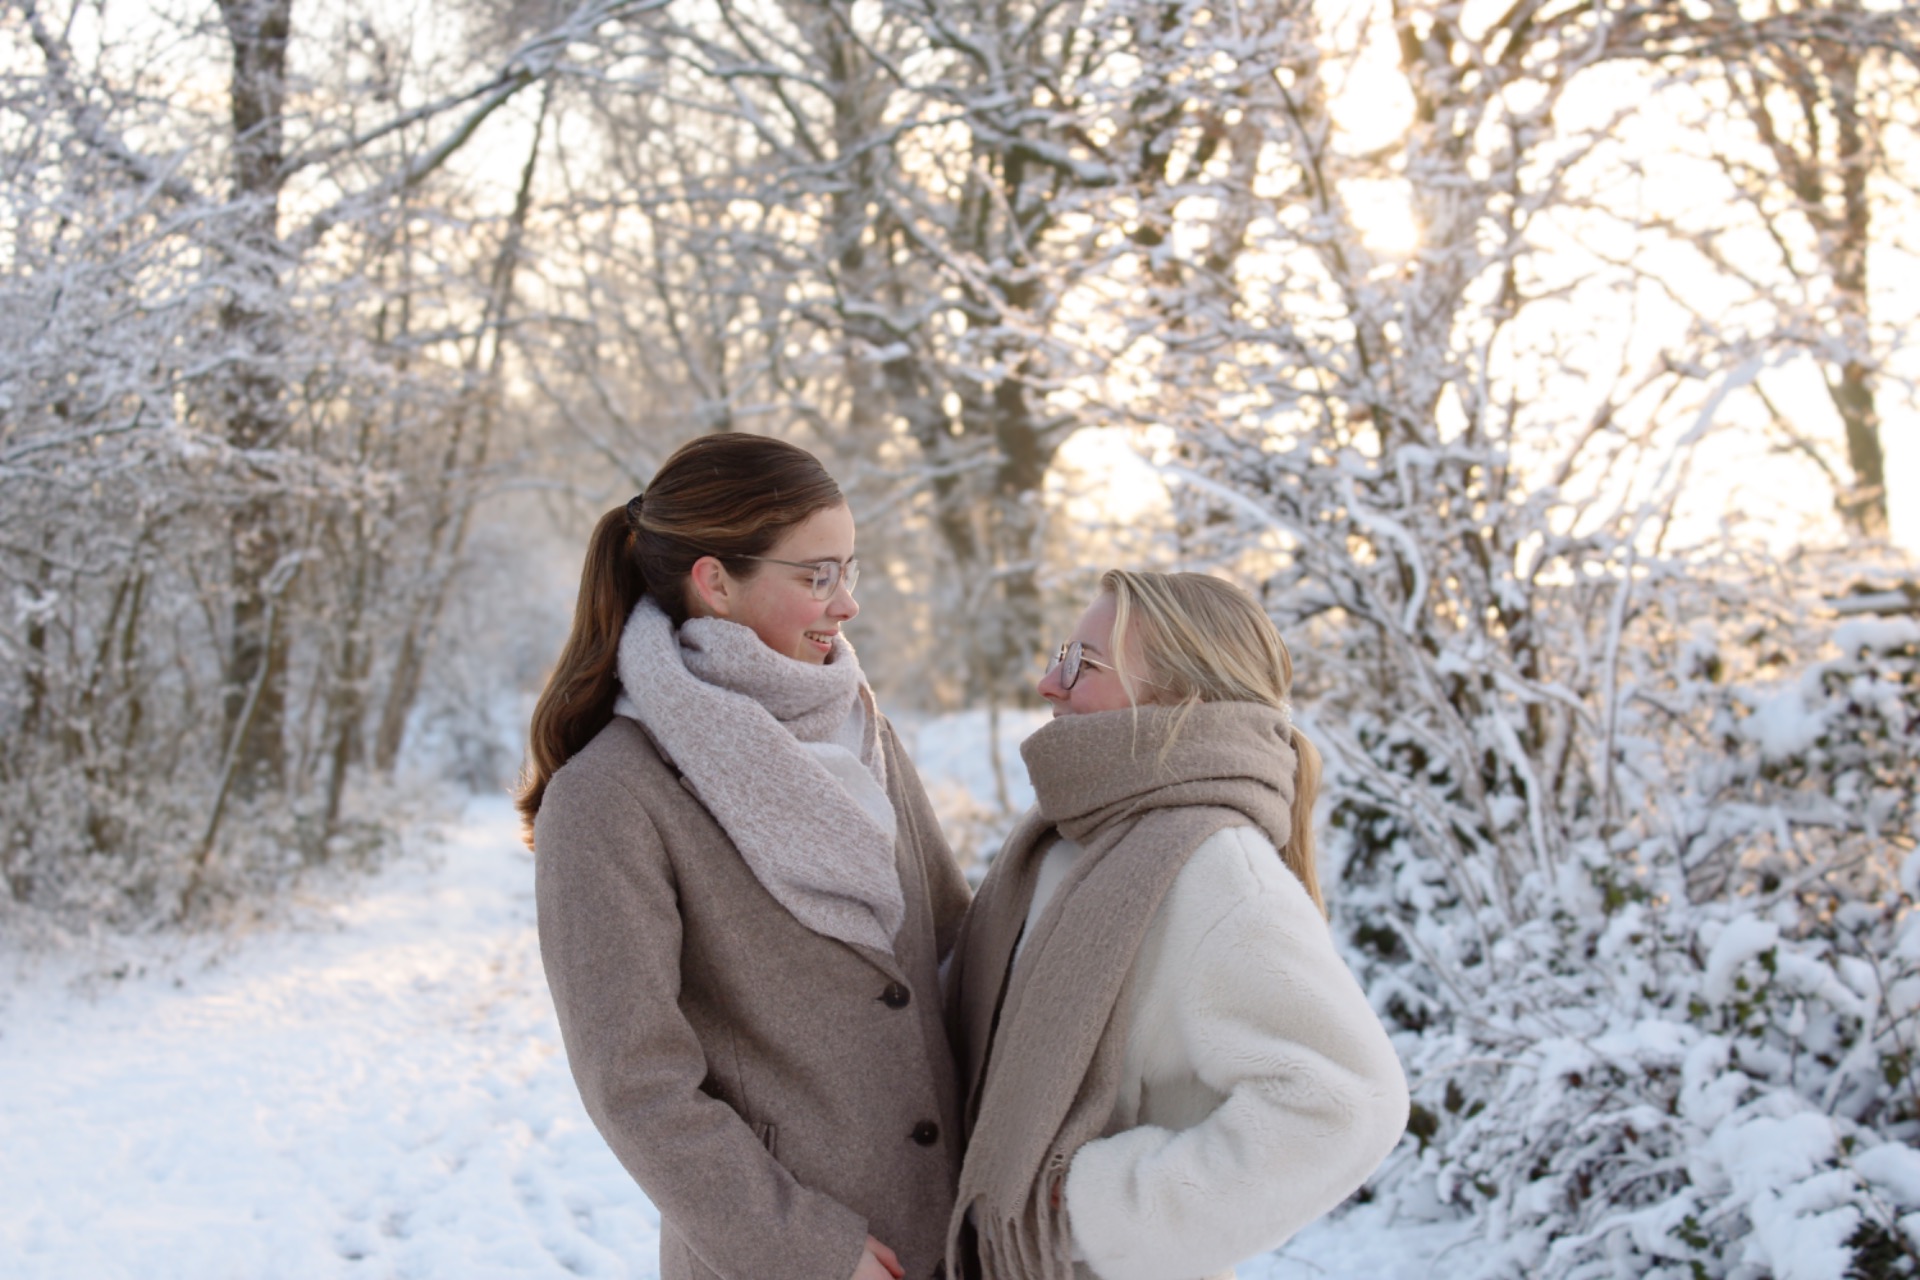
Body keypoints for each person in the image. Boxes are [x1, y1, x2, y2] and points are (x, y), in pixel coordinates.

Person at [520, 433, 970, 1280]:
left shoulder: (862, 725)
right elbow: (636, 1084)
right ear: (716, 582)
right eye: (817, 576)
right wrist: (807, 1250)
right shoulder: (610, 793)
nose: (848, 604)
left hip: (949, 1233)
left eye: (850, 570)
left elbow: (949, 950)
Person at [944, 570, 1410, 1280]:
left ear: (1178, 696)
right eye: (1060, 656)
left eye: (1082, 663)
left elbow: (1347, 1104)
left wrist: (1097, 1206)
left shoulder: (1216, 869)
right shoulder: (1061, 843)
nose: (1048, 683)